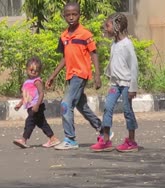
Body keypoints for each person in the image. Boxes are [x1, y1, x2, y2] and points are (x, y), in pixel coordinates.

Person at [46, 1, 110, 150]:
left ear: (79, 15)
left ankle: (70, 139)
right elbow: (65, 58)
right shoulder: (63, 36)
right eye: (68, 15)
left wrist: (97, 75)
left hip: (80, 74)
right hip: (70, 75)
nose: (71, 17)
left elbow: (94, 54)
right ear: (64, 16)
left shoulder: (85, 34)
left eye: (74, 14)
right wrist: (52, 75)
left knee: (65, 105)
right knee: (81, 106)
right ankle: (103, 130)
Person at [91, 13, 139, 152]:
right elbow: (113, 63)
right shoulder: (114, 44)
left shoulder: (127, 45)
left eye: (108, 25)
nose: (105, 28)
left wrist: (133, 87)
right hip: (115, 84)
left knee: (127, 110)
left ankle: (131, 141)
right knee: (107, 107)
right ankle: (105, 140)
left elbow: (134, 66)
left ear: (117, 26)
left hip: (126, 84)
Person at [13, 56, 60, 149]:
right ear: (27, 69)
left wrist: (37, 105)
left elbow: (41, 93)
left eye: (36, 70)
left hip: (36, 106)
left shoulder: (37, 81)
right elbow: (26, 96)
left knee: (29, 122)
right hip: (31, 106)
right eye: (31, 69)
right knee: (42, 123)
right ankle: (53, 138)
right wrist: (20, 104)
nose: (34, 72)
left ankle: (23, 139)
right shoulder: (27, 82)